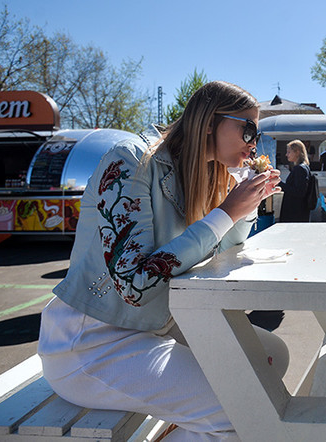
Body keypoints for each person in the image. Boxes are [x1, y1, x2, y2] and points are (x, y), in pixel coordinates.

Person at [38, 81, 289, 441]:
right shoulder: (129, 160)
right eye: (247, 128)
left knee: (272, 354)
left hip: (153, 326)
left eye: (257, 132)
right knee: (248, 408)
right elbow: (134, 284)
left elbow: (224, 250)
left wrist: (244, 208)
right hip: (91, 342)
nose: (254, 142)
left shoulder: (205, 171)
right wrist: (226, 211)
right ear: (208, 122)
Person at [278, 139, 312, 222]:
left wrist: (279, 183)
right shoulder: (304, 167)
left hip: (294, 213)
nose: (286, 155)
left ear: (297, 152)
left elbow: (299, 192)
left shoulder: (299, 169)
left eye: (289, 152)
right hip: (300, 212)